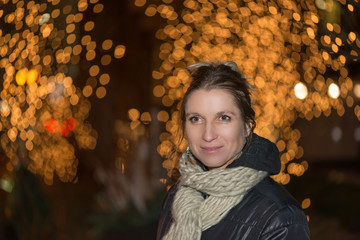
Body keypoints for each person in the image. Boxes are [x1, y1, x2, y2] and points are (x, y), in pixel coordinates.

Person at [156, 61, 310, 240]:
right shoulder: (177, 196)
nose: (208, 134)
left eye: (223, 118)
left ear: (247, 126)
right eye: (196, 119)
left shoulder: (279, 217)